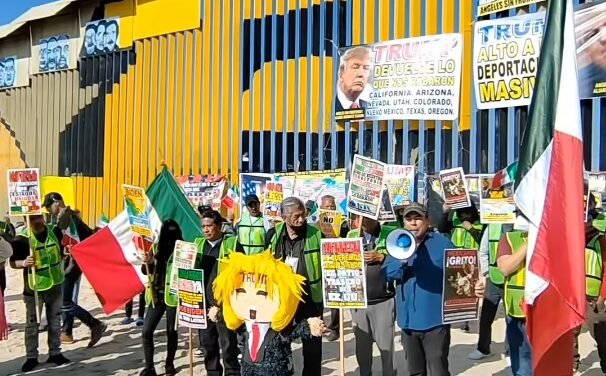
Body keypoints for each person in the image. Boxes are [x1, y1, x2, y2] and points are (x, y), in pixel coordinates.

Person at [384, 203, 484, 376]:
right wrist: (403, 258)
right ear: (404, 223)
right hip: (408, 323)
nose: (413, 223)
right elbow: (389, 273)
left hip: (435, 322)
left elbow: (463, 272)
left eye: (418, 218)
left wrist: (476, 286)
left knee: (438, 370)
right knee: (415, 371)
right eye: (409, 219)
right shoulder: (397, 242)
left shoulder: (442, 243)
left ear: (427, 221)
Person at [212, 252, 325, 375]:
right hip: (248, 368)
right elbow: (236, 327)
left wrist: (308, 326)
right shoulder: (245, 327)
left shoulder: (278, 332)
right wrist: (220, 314)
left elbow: (293, 332)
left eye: (262, 294)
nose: (252, 303)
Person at [266, 197, 323, 376]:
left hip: (309, 300)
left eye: (303, 215)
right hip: (281, 301)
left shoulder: (316, 235)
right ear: (284, 217)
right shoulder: (272, 235)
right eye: (296, 216)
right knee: (281, 345)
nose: (301, 219)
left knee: (312, 349)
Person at [42, 192, 107, 346]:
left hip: (72, 265)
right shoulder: (68, 217)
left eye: (49, 206)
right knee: (67, 298)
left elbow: (78, 237)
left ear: (57, 202)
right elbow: (88, 234)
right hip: (73, 263)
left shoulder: (67, 218)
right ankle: (67, 332)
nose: (49, 210)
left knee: (64, 301)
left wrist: (70, 250)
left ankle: (94, 324)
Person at [9, 214, 70, 372]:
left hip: (55, 284)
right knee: (32, 325)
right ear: (26, 220)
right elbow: (12, 263)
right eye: (33, 218)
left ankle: (55, 353)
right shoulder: (22, 240)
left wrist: (65, 252)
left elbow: (61, 251)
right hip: (34, 288)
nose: (37, 221)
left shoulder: (54, 232)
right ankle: (31, 357)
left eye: (39, 217)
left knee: (55, 322)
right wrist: (23, 263)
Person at [347, 215, 396, 376]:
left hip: (383, 300)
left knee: (386, 346)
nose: (363, 221)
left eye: (368, 217)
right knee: (362, 347)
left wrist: (383, 258)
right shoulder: (351, 235)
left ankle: (389, 373)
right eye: (359, 217)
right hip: (358, 302)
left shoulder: (391, 233)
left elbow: (402, 260)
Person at [195, 209, 241, 376]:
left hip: (225, 304)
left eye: (209, 226)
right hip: (203, 304)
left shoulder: (232, 244)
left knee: (228, 344)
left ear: (219, 226)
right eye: (203, 226)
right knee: (208, 344)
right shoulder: (197, 245)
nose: (206, 230)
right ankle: (212, 372)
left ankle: (232, 373)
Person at [139, 219, 183, 376]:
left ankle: (169, 362)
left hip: (173, 295)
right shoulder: (156, 247)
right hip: (156, 293)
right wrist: (148, 261)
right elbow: (146, 271)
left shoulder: (183, 249)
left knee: (171, 331)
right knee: (146, 331)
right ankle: (149, 367)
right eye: (167, 232)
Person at [468, 222, 512, 361]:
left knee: (511, 318)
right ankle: (483, 348)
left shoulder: (519, 225)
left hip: (512, 278)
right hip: (493, 278)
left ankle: (511, 351)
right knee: (486, 317)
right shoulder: (491, 227)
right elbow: (484, 251)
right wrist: (486, 274)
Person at [497, 215, 532, 376]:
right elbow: (505, 268)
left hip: (545, 312)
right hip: (517, 312)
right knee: (522, 365)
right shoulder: (509, 238)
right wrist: (528, 244)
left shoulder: (552, 238)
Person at [318, 195, 349, 341]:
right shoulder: (315, 227)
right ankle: (319, 325)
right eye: (326, 207)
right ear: (321, 208)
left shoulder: (343, 225)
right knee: (319, 299)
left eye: (332, 206)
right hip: (320, 266)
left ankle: (335, 328)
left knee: (335, 298)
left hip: (336, 265)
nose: (329, 209)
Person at [334, 46, 372, 113]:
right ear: (341, 73)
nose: (361, 74)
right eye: (355, 67)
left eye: (366, 68)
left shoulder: (369, 107)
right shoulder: (330, 105)